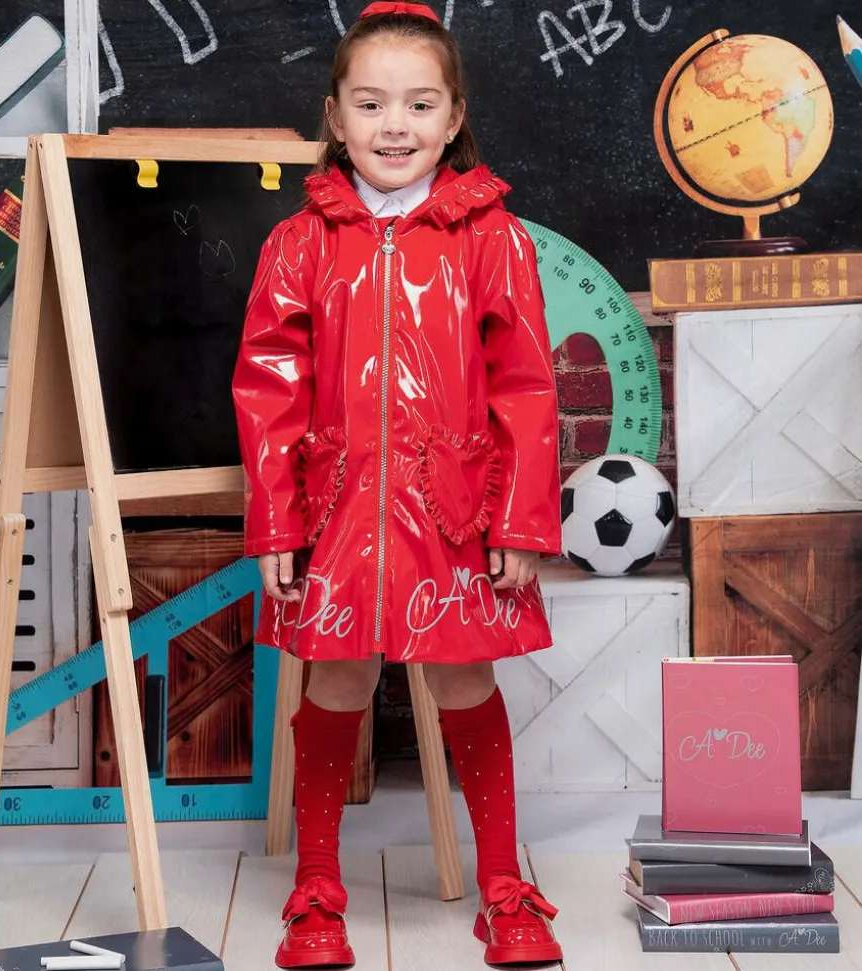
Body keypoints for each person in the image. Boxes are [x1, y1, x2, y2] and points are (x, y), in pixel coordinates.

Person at [232, 2, 562, 967]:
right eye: (371, 103)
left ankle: (503, 888)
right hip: (333, 510)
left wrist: (519, 519)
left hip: (456, 509)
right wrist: (276, 524)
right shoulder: (298, 244)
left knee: (466, 676)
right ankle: (316, 890)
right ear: (335, 117)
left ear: (453, 118)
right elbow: (268, 387)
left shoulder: (492, 237)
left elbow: (526, 385)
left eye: (420, 104)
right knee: (335, 675)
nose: (394, 125)